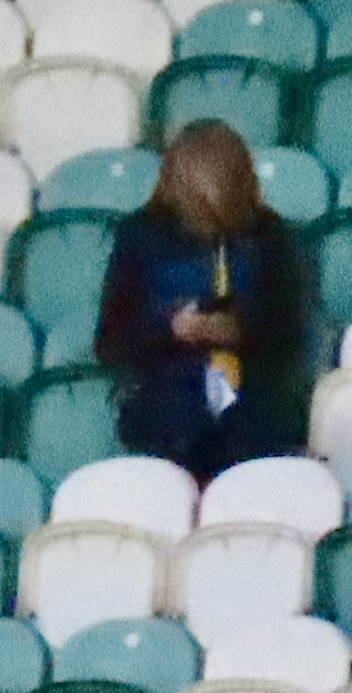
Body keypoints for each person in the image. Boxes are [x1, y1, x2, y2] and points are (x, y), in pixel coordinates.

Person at [95, 118, 313, 480]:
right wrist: (173, 330)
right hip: (165, 406)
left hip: (251, 404)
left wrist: (238, 332)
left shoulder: (268, 235)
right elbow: (111, 343)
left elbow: (288, 337)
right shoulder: (139, 235)